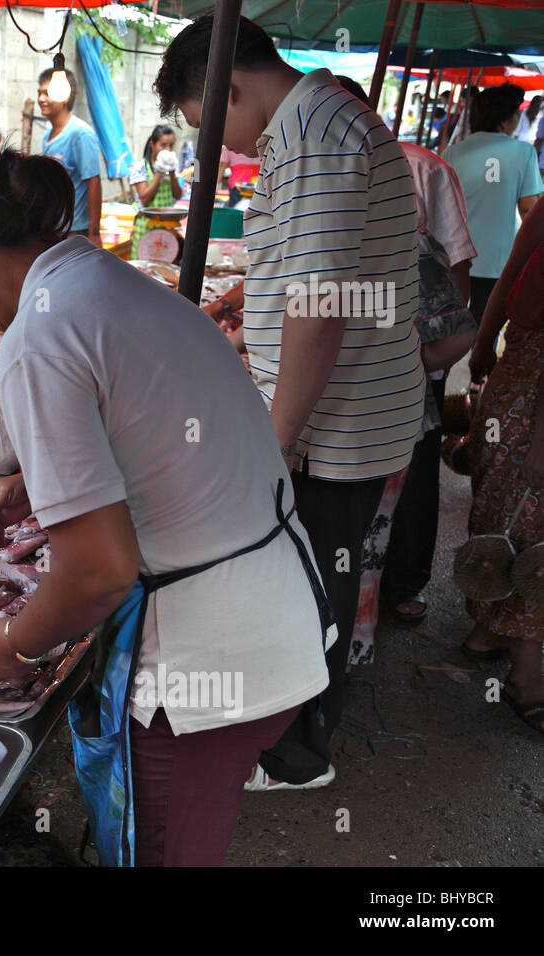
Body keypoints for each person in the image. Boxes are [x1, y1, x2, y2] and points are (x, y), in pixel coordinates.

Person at [0, 149, 332, 866]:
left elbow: (100, 572)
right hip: (278, 611)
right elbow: (156, 440)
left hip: (209, 668)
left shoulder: (39, 338)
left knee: (163, 851)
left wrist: (7, 647)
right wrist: (23, 493)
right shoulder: (108, 281)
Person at [156, 15, 426, 791]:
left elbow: (320, 306)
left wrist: (278, 442)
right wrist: (241, 303)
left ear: (228, 88)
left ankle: (299, 754)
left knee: (314, 588)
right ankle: (288, 733)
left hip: (334, 428)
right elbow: (304, 262)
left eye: (212, 129)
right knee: (311, 580)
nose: (224, 150)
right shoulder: (313, 126)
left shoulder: (312, 134)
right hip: (342, 416)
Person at [333, 76, 478, 648]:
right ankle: (348, 642)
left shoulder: (411, 216)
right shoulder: (332, 224)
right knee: (355, 537)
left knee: (379, 519)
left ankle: (378, 615)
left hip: (385, 408)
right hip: (353, 414)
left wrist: (414, 363)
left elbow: (456, 308)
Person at [463, 198, 544, 736]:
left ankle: (495, 632)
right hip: (523, 381)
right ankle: (525, 673)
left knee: (513, 510)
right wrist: (485, 344)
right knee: (518, 515)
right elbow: (512, 270)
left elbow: (512, 271)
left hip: (521, 385)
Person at [443, 84, 543, 322]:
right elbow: (528, 209)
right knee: (484, 320)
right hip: (496, 258)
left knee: (449, 323)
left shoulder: (452, 153)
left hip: (453, 254)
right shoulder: (524, 153)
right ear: (504, 121)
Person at [38, 68, 103, 244]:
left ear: (64, 96)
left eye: (47, 93)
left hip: (76, 230)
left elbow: (94, 182)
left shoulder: (80, 134)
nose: (41, 99)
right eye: (39, 93)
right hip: (56, 227)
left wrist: (94, 232)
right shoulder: (47, 136)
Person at [126, 125, 183, 257]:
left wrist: (173, 172)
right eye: (163, 145)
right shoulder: (140, 167)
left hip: (168, 227)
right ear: (152, 144)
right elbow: (144, 198)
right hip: (147, 226)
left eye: (171, 145)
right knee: (143, 269)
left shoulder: (171, 166)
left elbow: (178, 195)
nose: (168, 150)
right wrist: (159, 172)